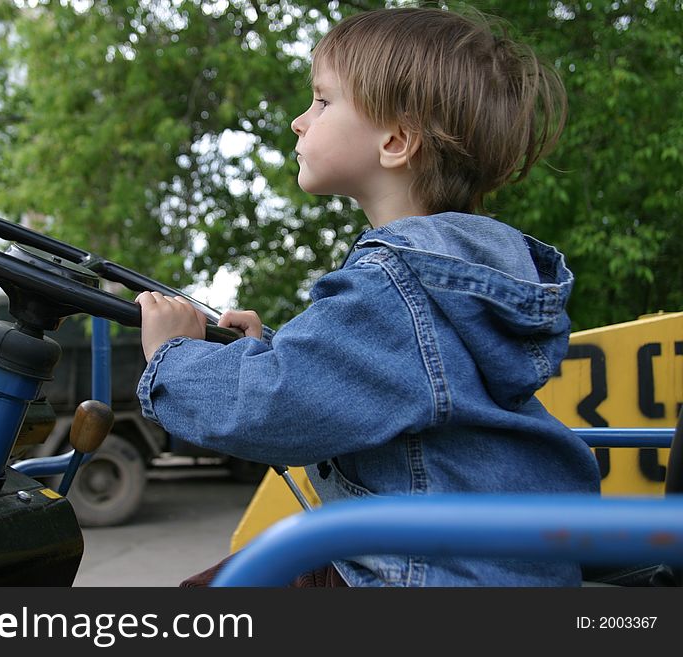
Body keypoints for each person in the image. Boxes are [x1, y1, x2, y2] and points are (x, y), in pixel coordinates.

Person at [134, 6, 601, 587]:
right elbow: (380, 386)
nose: (300, 122)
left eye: (323, 102)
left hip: (420, 579)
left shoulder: (397, 280)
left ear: (397, 141)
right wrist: (267, 352)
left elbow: (275, 407)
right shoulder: (449, 276)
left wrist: (173, 358)